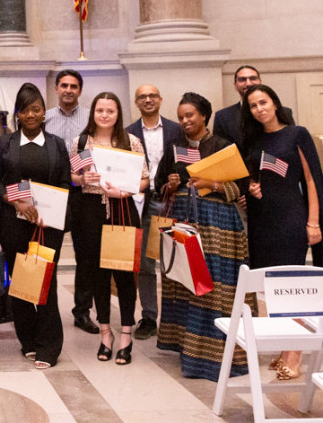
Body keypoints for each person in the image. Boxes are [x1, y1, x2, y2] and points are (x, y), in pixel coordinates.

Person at [154, 92, 251, 382]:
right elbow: (159, 186)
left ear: (204, 116)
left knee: (213, 287)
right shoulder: (174, 146)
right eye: (181, 116)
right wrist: (170, 185)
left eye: (190, 116)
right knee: (186, 283)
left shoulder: (223, 146)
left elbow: (241, 188)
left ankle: (215, 354)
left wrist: (213, 184)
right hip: (184, 224)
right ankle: (188, 349)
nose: (184, 121)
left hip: (218, 227)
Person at [242, 84, 323, 381]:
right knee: (273, 289)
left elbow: (313, 180)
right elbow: (256, 178)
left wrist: (313, 222)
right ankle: (285, 346)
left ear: (274, 103)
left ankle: (296, 355)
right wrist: (253, 187)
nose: (259, 109)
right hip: (263, 220)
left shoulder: (297, 133)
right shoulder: (255, 140)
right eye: (253, 106)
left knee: (292, 287)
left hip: (291, 218)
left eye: (263, 102)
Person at [0, 83, 71, 368]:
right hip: (14, 224)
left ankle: (49, 346)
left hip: (47, 226)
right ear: (18, 113)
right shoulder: (5, 143)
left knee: (45, 283)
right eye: (25, 110)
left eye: (36, 109)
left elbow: (64, 181)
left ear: (43, 112)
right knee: (21, 282)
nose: (31, 115)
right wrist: (17, 203)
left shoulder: (56, 144)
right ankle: (28, 340)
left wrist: (49, 208)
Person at [70, 92, 149, 366]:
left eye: (110, 111)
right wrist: (81, 178)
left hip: (123, 211)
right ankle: (106, 333)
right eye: (100, 110)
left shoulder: (131, 141)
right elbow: (72, 176)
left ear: (118, 114)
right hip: (89, 212)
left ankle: (126, 333)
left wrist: (125, 191)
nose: (104, 115)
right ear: (93, 112)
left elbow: (144, 180)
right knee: (97, 275)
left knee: (125, 274)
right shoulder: (81, 142)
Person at [125, 84, 183, 340]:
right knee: (146, 263)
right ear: (136, 102)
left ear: (160, 99)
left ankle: (176, 317)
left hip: (173, 202)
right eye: (142, 97)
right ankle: (149, 317)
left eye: (152, 96)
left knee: (176, 261)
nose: (147, 100)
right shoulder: (128, 134)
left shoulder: (177, 130)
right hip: (145, 205)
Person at [43, 69, 96, 334]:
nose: (68, 90)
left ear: (80, 90)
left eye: (74, 86)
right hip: (52, 192)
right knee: (46, 251)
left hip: (82, 193)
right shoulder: (44, 118)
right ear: (56, 88)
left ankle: (82, 311)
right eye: (64, 85)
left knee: (85, 254)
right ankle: (44, 307)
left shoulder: (91, 118)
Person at [213, 65, 294, 149]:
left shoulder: (284, 112)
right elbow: (221, 152)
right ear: (235, 85)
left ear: (260, 82)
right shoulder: (222, 117)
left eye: (253, 78)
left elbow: (291, 144)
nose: (248, 83)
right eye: (242, 79)